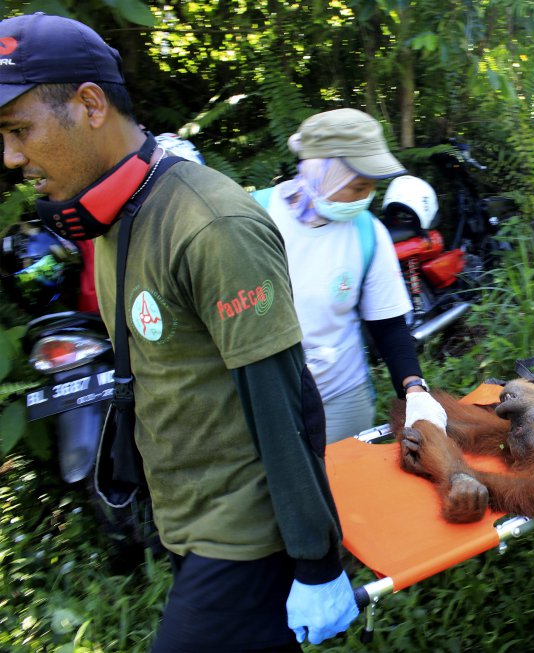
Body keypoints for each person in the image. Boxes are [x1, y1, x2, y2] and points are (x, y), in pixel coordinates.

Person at [0, 13, 358, 651]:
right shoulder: (112, 219)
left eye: (20, 130)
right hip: (185, 522)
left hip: (244, 538)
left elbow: (283, 401)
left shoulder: (211, 224)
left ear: (89, 104)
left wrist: (315, 560)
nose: (11, 157)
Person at [261, 108, 445, 443]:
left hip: (342, 395)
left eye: (372, 188)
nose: (365, 199)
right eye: (358, 186)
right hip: (267, 401)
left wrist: (415, 390)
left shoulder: (368, 233)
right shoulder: (253, 218)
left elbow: (388, 326)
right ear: (322, 171)